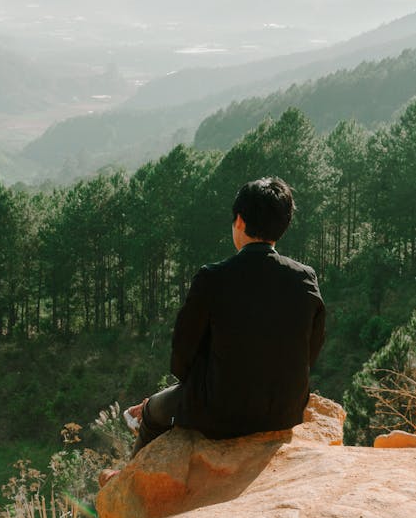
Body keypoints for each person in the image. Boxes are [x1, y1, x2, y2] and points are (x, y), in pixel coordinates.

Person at [129, 177, 326, 451]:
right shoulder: (305, 278)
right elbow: (310, 351)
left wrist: (200, 385)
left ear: (240, 222)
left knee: (152, 413)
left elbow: (181, 357)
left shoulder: (213, 278)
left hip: (221, 415)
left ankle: (132, 484)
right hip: (285, 412)